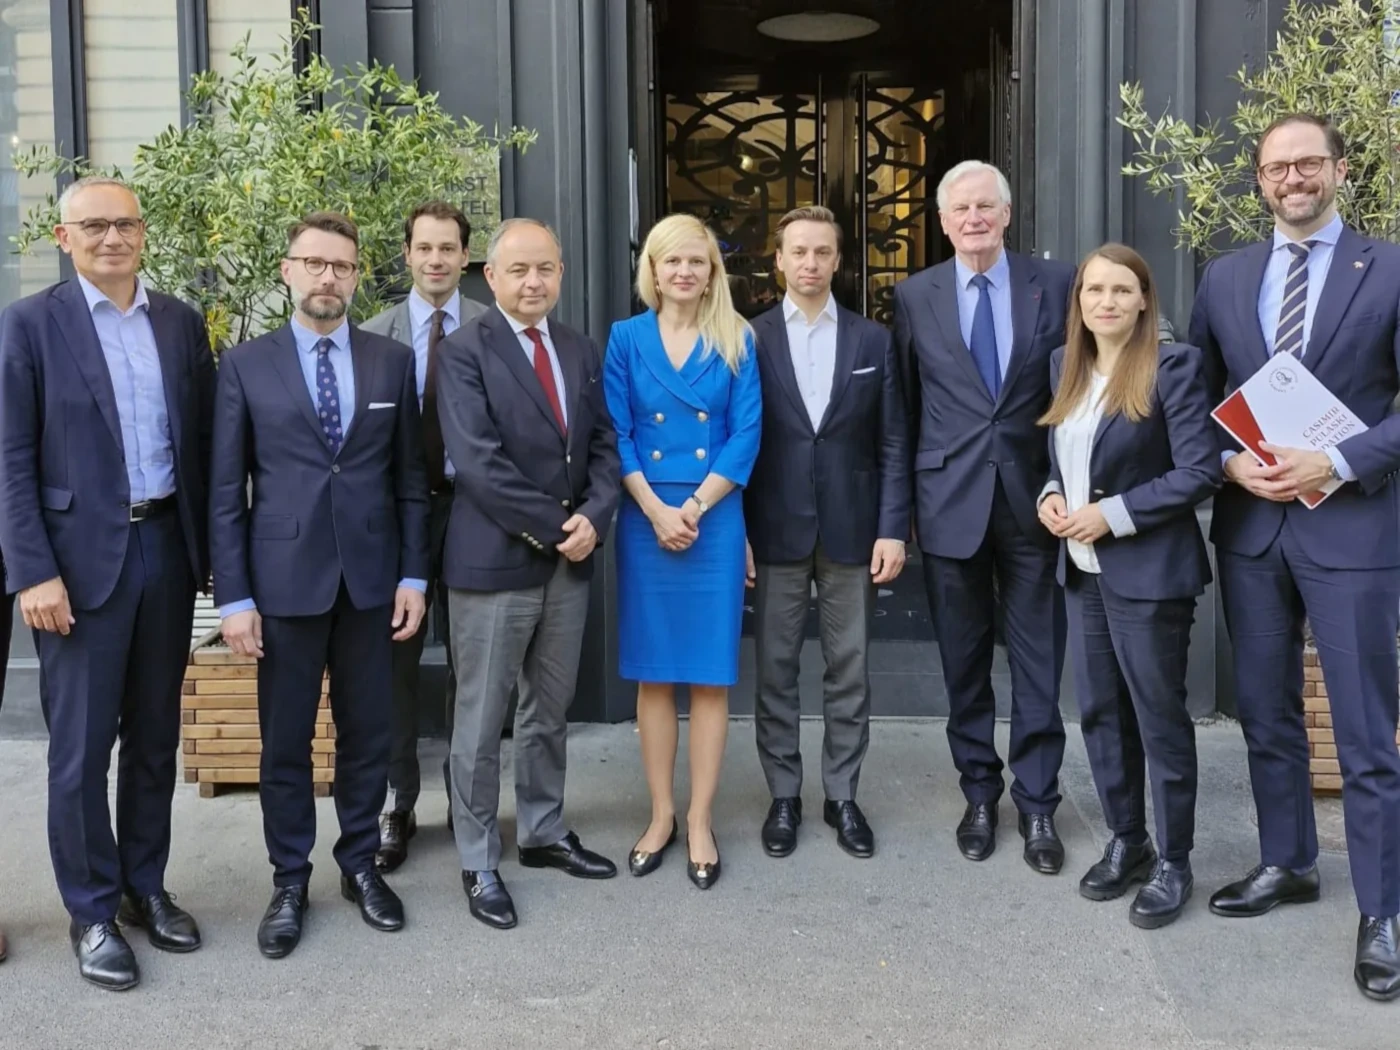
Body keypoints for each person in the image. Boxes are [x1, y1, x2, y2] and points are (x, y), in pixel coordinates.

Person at [1188, 113, 1400, 1001]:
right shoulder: (1225, 276)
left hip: (1353, 529)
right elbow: (1194, 393)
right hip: (1252, 529)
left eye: (1308, 163)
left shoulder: (1389, 267)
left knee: (1364, 729)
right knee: (1267, 713)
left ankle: (1383, 910)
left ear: (1339, 171)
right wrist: (1225, 461)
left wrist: (1338, 461)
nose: (1293, 179)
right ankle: (1289, 861)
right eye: (1277, 167)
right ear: (1260, 181)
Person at [0, 176, 214, 990]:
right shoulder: (29, 325)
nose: (111, 238)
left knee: (155, 737)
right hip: (75, 566)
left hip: (165, 549)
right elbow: (10, 459)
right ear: (64, 238)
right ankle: (90, 911)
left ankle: (143, 886)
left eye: (124, 224)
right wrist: (33, 571)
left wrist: (212, 559)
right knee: (81, 751)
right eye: (93, 226)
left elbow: (201, 445)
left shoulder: (179, 323)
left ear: (143, 232)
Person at [211, 211, 430, 959]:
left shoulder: (391, 362)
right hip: (282, 587)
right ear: (288, 271)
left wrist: (413, 574)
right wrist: (235, 598)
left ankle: (360, 865)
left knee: (369, 735)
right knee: (285, 743)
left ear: (358, 276)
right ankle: (289, 880)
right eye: (314, 263)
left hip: (372, 585)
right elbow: (225, 491)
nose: (327, 277)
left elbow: (410, 481)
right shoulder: (246, 365)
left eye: (341, 266)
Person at [435, 217, 621, 929]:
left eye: (545, 268)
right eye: (518, 270)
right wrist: (560, 528)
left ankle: (541, 830)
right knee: (481, 719)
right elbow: (478, 463)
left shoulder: (577, 347)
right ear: (491, 277)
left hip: (568, 564)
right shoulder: (463, 351)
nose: (533, 281)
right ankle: (478, 857)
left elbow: (603, 444)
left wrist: (595, 516)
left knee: (548, 709)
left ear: (561, 273)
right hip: (496, 561)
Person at [893, 160, 1075, 874]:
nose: (974, 218)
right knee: (963, 663)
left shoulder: (1056, 283)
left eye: (985, 207)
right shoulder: (915, 295)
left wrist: (1067, 481)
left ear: (1006, 214)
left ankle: (1038, 803)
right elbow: (904, 410)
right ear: (943, 222)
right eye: (960, 209)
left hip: (1037, 503)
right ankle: (978, 793)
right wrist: (900, 513)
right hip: (948, 503)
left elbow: (1076, 390)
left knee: (1038, 662)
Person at [1037, 244, 1220, 928]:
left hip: (1150, 574)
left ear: (1144, 300)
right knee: (1101, 715)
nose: (1106, 301)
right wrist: (1050, 494)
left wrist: (1111, 514)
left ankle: (1175, 861)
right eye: (1094, 290)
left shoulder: (1174, 367)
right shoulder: (1065, 364)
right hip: (1083, 572)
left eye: (1121, 290)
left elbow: (1199, 471)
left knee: (1158, 720)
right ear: (1079, 301)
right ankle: (1128, 841)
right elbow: (1063, 457)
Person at [743, 206, 909, 860]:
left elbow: (894, 442)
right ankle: (783, 796)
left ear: (838, 261)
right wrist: (737, 534)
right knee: (774, 670)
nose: (810, 263)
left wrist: (893, 529)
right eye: (798, 252)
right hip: (773, 527)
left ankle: (842, 796)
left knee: (850, 669)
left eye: (822, 252)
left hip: (853, 529)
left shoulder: (873, 341)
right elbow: (736, 441)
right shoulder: (747, 338)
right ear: (778, 260)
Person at [604, 213, 761, 890]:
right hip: (646, 515)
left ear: (713, 270)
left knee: (709, 675)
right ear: (653, 269)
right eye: (672, 260)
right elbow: (617, 433)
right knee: (654, 674)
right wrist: (654, 509)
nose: (685, 272)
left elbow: (746, 435)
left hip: (713, 515)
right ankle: (661, 814)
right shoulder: (625, 338)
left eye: (697, 261)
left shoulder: (738, 337)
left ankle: (700, 819)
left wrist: (692, 508)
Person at [361, 201, 489, 871]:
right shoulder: (371, 335)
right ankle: (396, 803)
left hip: (475, 514)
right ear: (407, 254)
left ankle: (468, 802)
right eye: (424, 248)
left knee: (474, 666)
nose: (436, 260)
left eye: (448, 248)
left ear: (466, 257)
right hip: (395, 521)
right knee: (393, 667)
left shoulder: (494, 329)